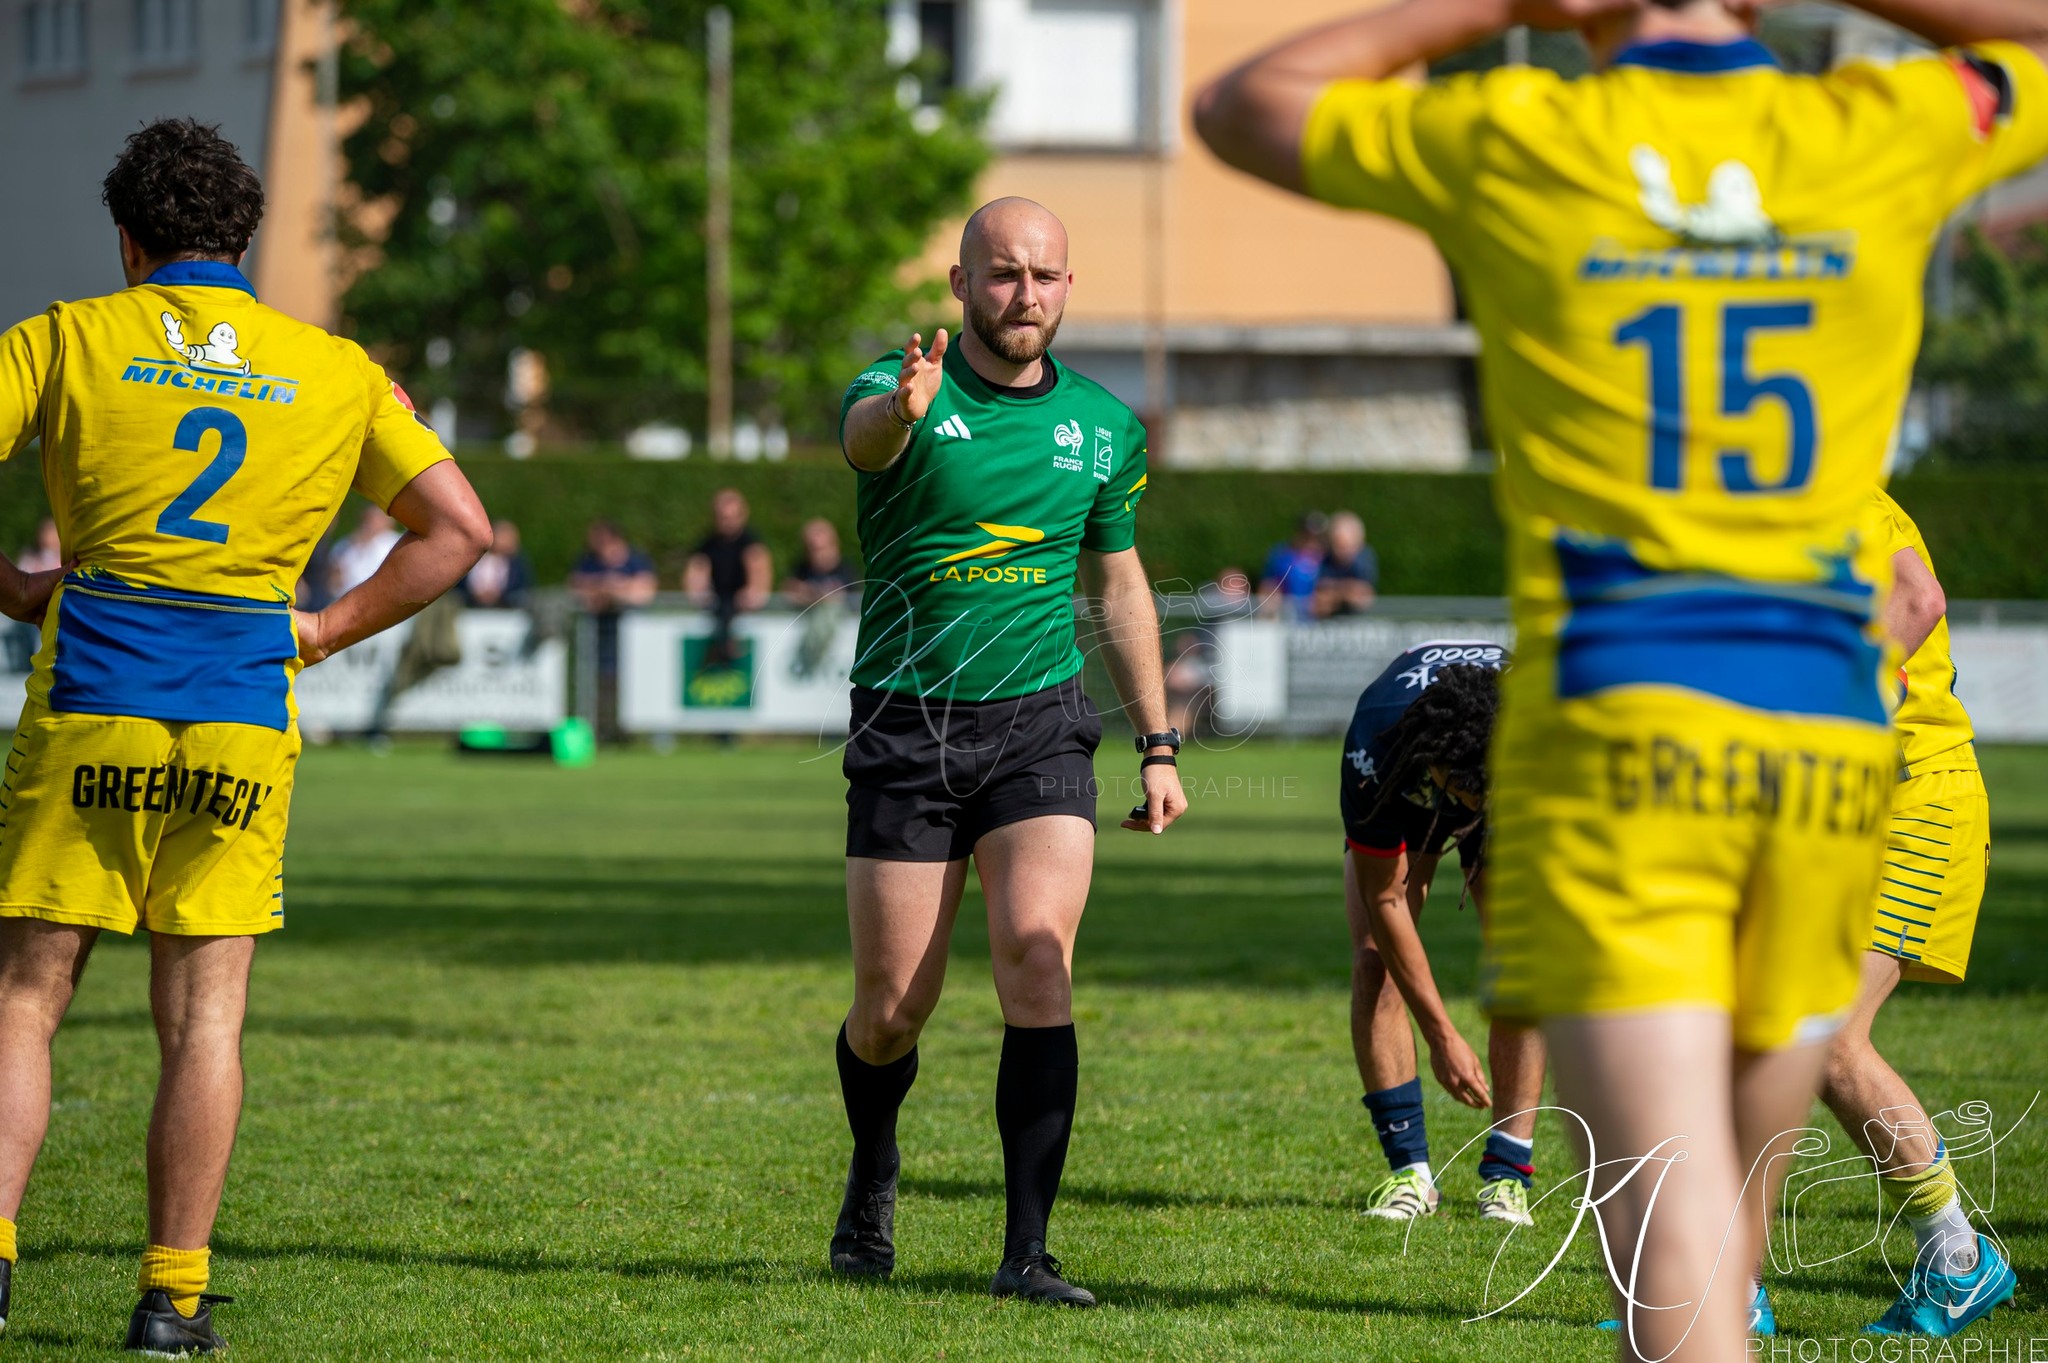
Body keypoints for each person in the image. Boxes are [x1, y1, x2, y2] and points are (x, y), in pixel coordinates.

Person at [1195, 1, 2048, 1355]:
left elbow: (1240, 101)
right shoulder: (1878, 126)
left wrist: (1504, 11)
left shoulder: (1523, 133)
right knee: (1727, 1242)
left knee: (1670, 1277)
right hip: (1817, 751)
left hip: (1621, 741)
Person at [0, 118, 489, 1354]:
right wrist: (322, 628)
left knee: (24, 999)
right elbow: (458, 530)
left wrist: (11, 583)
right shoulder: (330, 367)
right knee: (205, 1018)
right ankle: (170, 1298)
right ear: (244, 239)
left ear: (128, 241)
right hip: (236, 712)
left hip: (94, 691)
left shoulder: (63, 338)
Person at [831, 196, 1186, 1307]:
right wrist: (899, 409)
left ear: (1066, 288)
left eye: (1042, 275)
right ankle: (873, 1166)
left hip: (1040, 725)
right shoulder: (899, 387)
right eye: (999, 274)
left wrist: (1159, 742)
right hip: (907, 722)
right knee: (892, 1009)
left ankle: (1025, 1252)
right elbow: (863, 443)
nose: (1021, 294)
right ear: (958, 283)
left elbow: (1118, 581)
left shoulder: (1104, 427)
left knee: (1037, 956)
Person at [1818, 489, 2011, 1334]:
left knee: (1826, 1035)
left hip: (1916, 799)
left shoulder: (1836, 489)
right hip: (1842, 805)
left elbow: (1920, 599)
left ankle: (1961, 1258)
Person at [1339, 645, 1545, 1226]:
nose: (1466, 808)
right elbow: (1386, 899)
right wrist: (1442, 1035)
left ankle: (1508, 1176)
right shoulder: (1376, 745)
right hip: (1406, 788)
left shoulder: (1532, 730)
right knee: (1373, 961)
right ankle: (1410, 1174)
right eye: (1461, 794)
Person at [569, 520, 656, 742]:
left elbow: (645, 591)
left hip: (632, 639)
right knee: (600, 687)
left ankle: (633, 733)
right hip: (598, 637)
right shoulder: (589, 562)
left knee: (633, 685)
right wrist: (603, 587)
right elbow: (576, 587)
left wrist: (615, 590)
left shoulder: (635, 560)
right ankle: (605, 732)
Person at [325, 504, 401, 599]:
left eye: (375, 519)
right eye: (367, 518)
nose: (369, 523)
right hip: (342, 601)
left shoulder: (395, 543)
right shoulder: (345, 544)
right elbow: (332, 578)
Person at [1314, 510, 1379, 618]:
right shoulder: (1322, 558)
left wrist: (1334, 592)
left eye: (1345, 547)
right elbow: (1319, 599)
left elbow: (1364, 597)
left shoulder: (1365, 559)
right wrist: (1345, 591)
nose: (1341, 552)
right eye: (1337, 546)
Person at [1259, 512, 1325, 619]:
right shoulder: (1281, 554)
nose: (1311, 540)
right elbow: (1268, 584)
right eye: (1307, 535)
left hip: (1319, 619)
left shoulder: (1326, 557)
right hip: (1287, 616)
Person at [462, 518, 535, 610]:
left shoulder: (518, 564)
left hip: (506, 612)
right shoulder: (472, 557)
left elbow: (524, 589)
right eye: (505, 536)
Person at [784, 517, 852, 608]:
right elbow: (788, 591)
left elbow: (853, 599)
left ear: (834, 546)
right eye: (812, 548)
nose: (818, 554)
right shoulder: (801, 569)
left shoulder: (846, 570)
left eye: (821, 548)